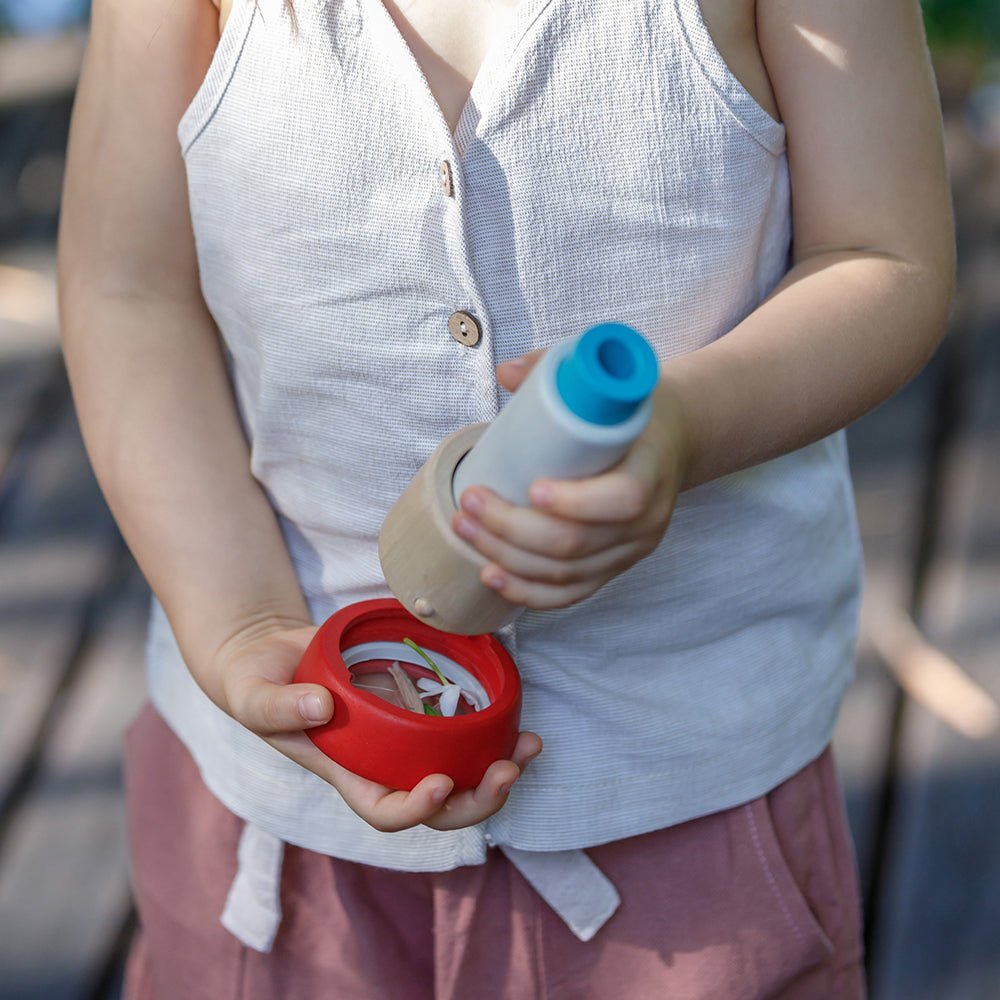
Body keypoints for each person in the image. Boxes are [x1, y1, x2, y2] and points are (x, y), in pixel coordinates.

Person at [58, 0, 954, 996]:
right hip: (275, 830)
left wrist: (687, 424)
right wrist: (240, 622)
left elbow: (883, 253)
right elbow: (130, 287)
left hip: (685, 819)